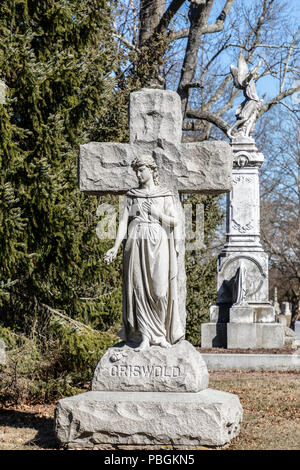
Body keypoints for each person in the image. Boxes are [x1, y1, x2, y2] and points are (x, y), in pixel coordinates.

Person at [104, 154, 184, 350]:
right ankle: (146, 336)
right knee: (139, 289)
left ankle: (161, 334)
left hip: (158, 240)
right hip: (136, 241)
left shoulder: (164, 194)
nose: (138, 175)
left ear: (151, 170)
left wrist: (157, 214)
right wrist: (115, 247)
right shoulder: (132, 195)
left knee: (160, 290)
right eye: (136, 171)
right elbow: (124, 221)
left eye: (142, 170)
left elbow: (175, 221)